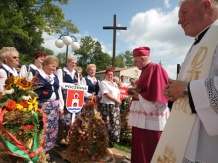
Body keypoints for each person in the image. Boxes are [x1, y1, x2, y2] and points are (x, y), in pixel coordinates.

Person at [152, 0, 218, 162]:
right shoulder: (200, 42)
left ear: (205, 6)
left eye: (184, 13)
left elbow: (189, 88)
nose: (179, 20)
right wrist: (175, 90)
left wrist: (186, 89)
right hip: (187, 142)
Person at [128, 47, 170, 163]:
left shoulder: (155, 68)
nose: (135, 64)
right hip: (142, 119)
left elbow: (159, 96)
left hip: (151, 120)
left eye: (136, 61)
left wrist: (138, 96)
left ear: (142, 58)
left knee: (149, 149)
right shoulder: (145, 70)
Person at [34, 55, 63, 161]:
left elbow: (58, 91)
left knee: (52, 130)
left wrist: (61, 106)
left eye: (56, 67)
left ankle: (47, 152)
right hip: (43, 107)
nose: (54, 69)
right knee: (43, 129)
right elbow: (33, 91)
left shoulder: (55, 77)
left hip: (54, 108)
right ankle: (39, 152)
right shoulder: (37, 76)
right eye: (53, 66)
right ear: (45, 64)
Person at [56, 55, 80, 146]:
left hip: (73, 98)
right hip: (64, 97)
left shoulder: (76, 73)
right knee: (63, 119)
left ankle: (67, 137)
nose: (73, 64)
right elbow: (58, 86)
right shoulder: (61, 71)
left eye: (75, 63)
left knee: (71, 119)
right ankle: (61, 138)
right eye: (72, 62)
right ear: (67, 62)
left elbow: (79, 87)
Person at [99, 67, 121, 147]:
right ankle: (105, 141)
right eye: (109, 74)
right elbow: (106, 94)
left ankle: (112, 140)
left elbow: (118, 92)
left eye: (111, 74)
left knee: (114, 123)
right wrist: (116, 100)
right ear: (105, 74)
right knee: (107, 123)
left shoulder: (114, 83)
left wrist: (118, 100)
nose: (110, 76)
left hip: (115, 105)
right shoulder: (103, 83)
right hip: (107, 105)